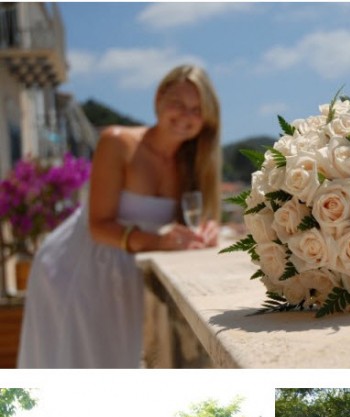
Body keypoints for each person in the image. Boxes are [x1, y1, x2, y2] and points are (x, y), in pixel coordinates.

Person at [18, 64, 221, 368]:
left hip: (130, 273)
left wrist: (207, 230)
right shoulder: (118, 142)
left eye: (196, 108)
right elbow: (98, 226)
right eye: (178, 103)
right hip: (79, 267)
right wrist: (158, 241)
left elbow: (190, 222)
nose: (185, 116)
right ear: (159, 99)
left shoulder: (194, 164)